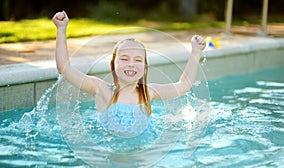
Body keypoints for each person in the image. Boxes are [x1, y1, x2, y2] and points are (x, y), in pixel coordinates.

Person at [52, 11, 206, 135]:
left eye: (138, 60)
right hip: (110, 149)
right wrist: (61, 29)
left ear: (144, 67)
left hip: (142, 151)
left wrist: (195, 52)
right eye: (124, 59)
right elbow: (65, 69)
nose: (131, 64)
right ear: (113, 65)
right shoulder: (102, 90)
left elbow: (184, 85)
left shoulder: (148, 92)